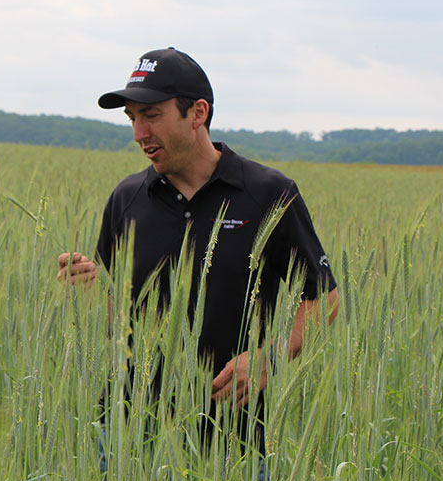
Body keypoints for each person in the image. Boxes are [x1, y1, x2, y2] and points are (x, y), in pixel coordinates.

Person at [56, 47, 339, 458]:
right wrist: (86, 288)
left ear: (198, 113)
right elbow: (116, 315)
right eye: (132, 119)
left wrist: (270, 357)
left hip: (235, 443)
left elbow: (325, 299)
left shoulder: (266, 194)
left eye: (151, 116)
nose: (139, 134)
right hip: (130, 443)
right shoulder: (127, 198)